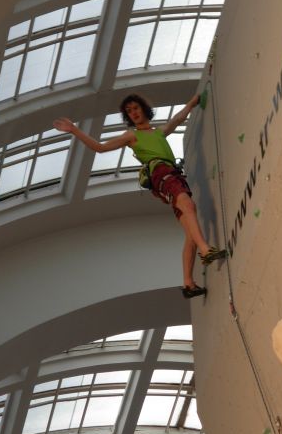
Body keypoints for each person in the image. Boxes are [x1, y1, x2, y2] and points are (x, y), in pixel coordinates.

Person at [53, 94, 225, 298]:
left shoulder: (158, 132)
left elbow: (177, 119)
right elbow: (100, 148)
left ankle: (188, 283)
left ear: (144, 109)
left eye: (135, 108)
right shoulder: (131, 136)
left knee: (190, 228)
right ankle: (205, 251)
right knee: (188, 205)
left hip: (172, 174)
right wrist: (74, 130)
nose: (133, 113)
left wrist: (192, 102)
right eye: (129, 111)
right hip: (161, 173)